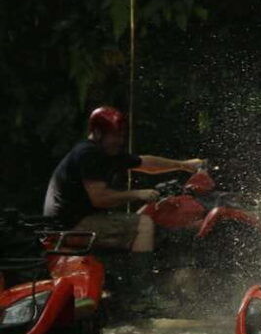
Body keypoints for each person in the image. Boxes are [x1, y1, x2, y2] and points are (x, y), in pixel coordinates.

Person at [43, 106, 203, 252]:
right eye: (114, 136)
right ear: (98, 133)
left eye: (121, 136)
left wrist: (183, 165)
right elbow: (100, 198)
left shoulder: (108, 152)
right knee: (144, 225)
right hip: (72, 225)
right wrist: (137, 194)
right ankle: (142, 282)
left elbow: (146, 163)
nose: (120, 141)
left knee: (144, 215)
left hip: (73, 222)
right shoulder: (89, 154)